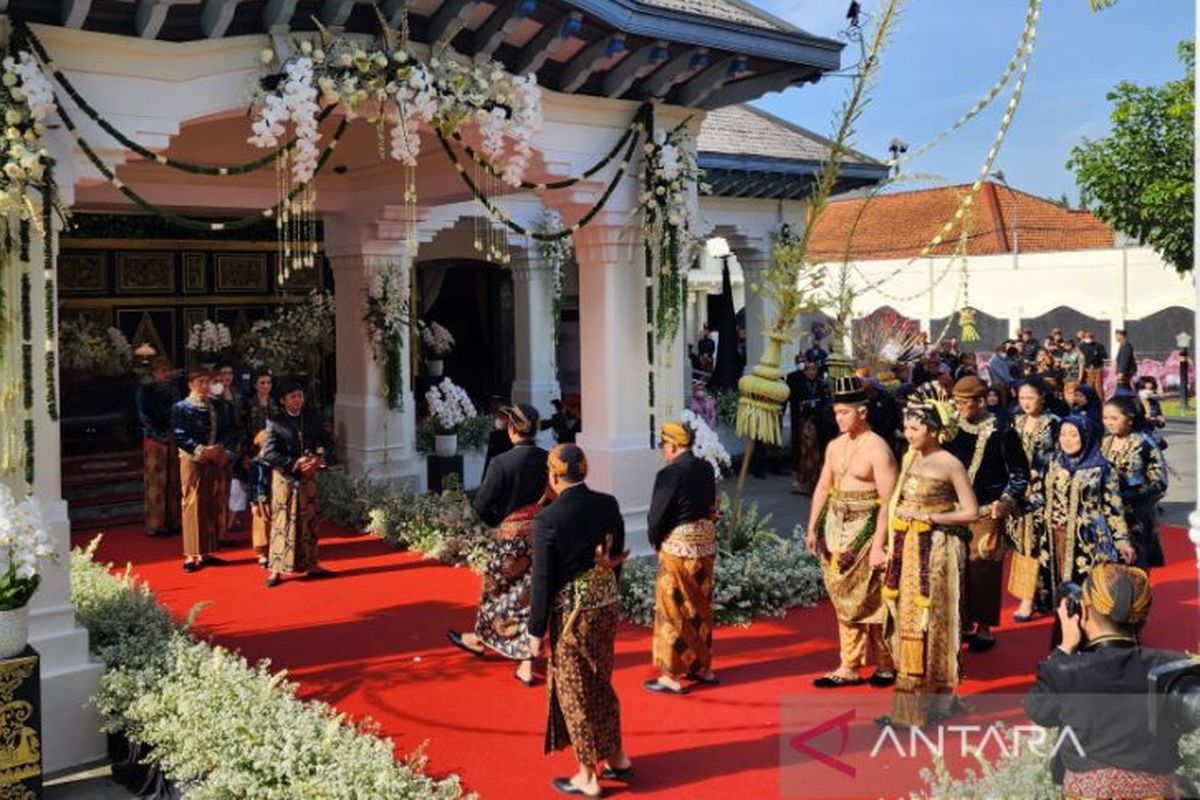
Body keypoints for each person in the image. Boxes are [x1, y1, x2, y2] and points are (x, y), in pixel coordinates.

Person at [1024, 564, 1189, 799]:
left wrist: (1063, 649)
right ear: (1143, 615)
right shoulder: (1171, 667)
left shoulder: (1064, 671)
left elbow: (1039, 711)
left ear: (1085, 611)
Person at [527, 444, 632, 798]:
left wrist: (534, 631)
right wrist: (605, 591)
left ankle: (588, 775)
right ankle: (617, 755)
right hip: (605, 605)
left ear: (555, 474)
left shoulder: (548, 519)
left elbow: (542, 581)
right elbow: (616, 555)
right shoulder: (608, 503)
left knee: (574, 689)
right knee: (601, 678)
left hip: (571, 615)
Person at [877, 387, 979, 728]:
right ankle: (910, 701)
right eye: (906, 428)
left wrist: (932, 518)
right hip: (907, 549)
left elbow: (971, 512)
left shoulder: (950, 463)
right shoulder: (910, 458)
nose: (908, 434)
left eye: (915, 429)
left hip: (937, 552)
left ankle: (935, 696)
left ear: (933, 430)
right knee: (907, 617)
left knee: (934, 619)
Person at [806, 377, 898, 689]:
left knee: (872, 599)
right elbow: (822, 486)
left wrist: (879, 545)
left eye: (844, 412)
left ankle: (886, 663)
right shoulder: (834, 446)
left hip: (867, 530)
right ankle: (849, 664)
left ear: (862, 412)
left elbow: (889, 501)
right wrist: (811, 527)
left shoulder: (878, 448)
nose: (839, 418)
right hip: (834, 528)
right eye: (836, 413)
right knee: (843, 598)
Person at [448, 404, 548, 686]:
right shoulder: (549, 459)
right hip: (542, 535)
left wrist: (498, 521)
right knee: (534, 596)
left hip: (511, 537)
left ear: (512, 429)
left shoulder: (501, 463)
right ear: (537, 429)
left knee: (498, 594)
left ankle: (480, 640)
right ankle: (526, 662)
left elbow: (481, 504)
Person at [945, 375, 1030, 653]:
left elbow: (1020, 474)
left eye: (965, 402)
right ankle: (962, 623)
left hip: (986, 512)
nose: (959, 407)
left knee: (984, 572)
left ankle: (984, 628)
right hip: (952, 511)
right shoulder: (950, 427)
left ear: (981, 401)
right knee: (954, 569)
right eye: (956, 401)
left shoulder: (1002, 429)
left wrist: (1005, 501)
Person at [644, 422, 718, 695]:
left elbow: (657, 516)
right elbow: (711, 506)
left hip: (678, 546)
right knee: (700, 605)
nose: (663, 450)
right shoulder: (706, 468)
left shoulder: (669, 473)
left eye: (663, 445)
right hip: (705, 544)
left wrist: (655, 539)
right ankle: (703, 667)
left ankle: (669, 673)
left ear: (673, 445)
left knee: (672, 607)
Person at [1038, 414, 1134, 617]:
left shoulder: (1103, 468)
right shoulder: (1053, 462)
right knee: (1060, 591)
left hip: (1089, 543)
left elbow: (1114, 508)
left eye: (1073, 435)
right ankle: (1065, 638)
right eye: (1062, 434)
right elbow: (1039, 496)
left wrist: (1122, 541)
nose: (1066, 440)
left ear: (1087, 436)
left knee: (1087, 594)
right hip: (1055, 539)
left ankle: (1092, 639)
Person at [260, 378, 335, 587]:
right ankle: (276, 569)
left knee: (310, 522)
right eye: (293, 397)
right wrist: (294, 463)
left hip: (308, 478)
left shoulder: (312, 418)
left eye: (300, 396)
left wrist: (319, 460)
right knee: (283, 523)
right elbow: (268, 453)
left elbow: (329, 444)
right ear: (283, 400)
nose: (297, 400)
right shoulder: (275, 421)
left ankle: (311, 563)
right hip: (285, 478)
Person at [1008, 378, 1061, 622]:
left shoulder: (1053, 423)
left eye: (1030, 397)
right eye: (1022, 398)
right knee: (1022, 543)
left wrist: (1037, 470)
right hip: (1019, 489)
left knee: (1040, 543)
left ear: (1042, 396)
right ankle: (1026, 595)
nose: (1026, 403)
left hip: (1043, 492)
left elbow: (1059, 454)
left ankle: (1036, 598)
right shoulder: (1016, 420)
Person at [170, 366, 227, 573]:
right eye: (200, 382)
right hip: (192, 459)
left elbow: (227, 428)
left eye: (207, 382)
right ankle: (191, 554)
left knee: (211, 501)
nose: (204, 386)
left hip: (213, 457)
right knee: (192, 502)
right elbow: (179, 434)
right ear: (191, 384)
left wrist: (219, 449)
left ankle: (207, 551)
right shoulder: (181, 407)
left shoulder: (214, 405)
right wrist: (201, 450)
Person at [1102, 398, 1168, 569]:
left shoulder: (1144, 443)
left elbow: (1160, 483)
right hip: (1111, 514)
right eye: (1105, 418)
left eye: (1114, 418)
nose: (1108, 423)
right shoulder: (1104, 443)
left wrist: (1132, 495)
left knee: (1139, 565)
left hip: (1138, 514)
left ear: (1129, 419)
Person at [136, 356, 182, 537]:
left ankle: (173, 521)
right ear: (154, 373)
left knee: (174, 481)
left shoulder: (174, 389)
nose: (166, 374)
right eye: (162, 371)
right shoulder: (145, 390)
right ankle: (156, 525)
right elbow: (144, 415)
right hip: (155, 440)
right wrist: (157, 434)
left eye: (167, 370)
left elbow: (179, 409)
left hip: (173, 436)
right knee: (157, 483)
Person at [787, 359, 829, 494]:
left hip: (819, 421)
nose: (812, 373)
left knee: (817, 453)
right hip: (804, 421)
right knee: (806, 452)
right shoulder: (798, 381)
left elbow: (824, 400)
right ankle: (804, 481)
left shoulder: (820, 383)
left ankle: (816, 481)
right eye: (810, 370)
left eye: (814, 370)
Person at [248, 429, 272, 568]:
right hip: (261, 498)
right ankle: (262, 554)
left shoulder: (276, 461)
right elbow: (252, 484)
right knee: (261, 527)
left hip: (274, 496)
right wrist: (253, 503)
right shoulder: (256, 463)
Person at [1079, 330, 1108, 397]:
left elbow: (1104, 356)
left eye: (1090, 337)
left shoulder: (1099, 346)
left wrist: (1097, 357)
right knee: (1088, 388)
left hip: (1097, 369)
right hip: (1086, 370)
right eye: (1087, 337)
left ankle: (1100, 403)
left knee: (1098, 388)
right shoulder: (1081, 346)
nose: (1089, 338)